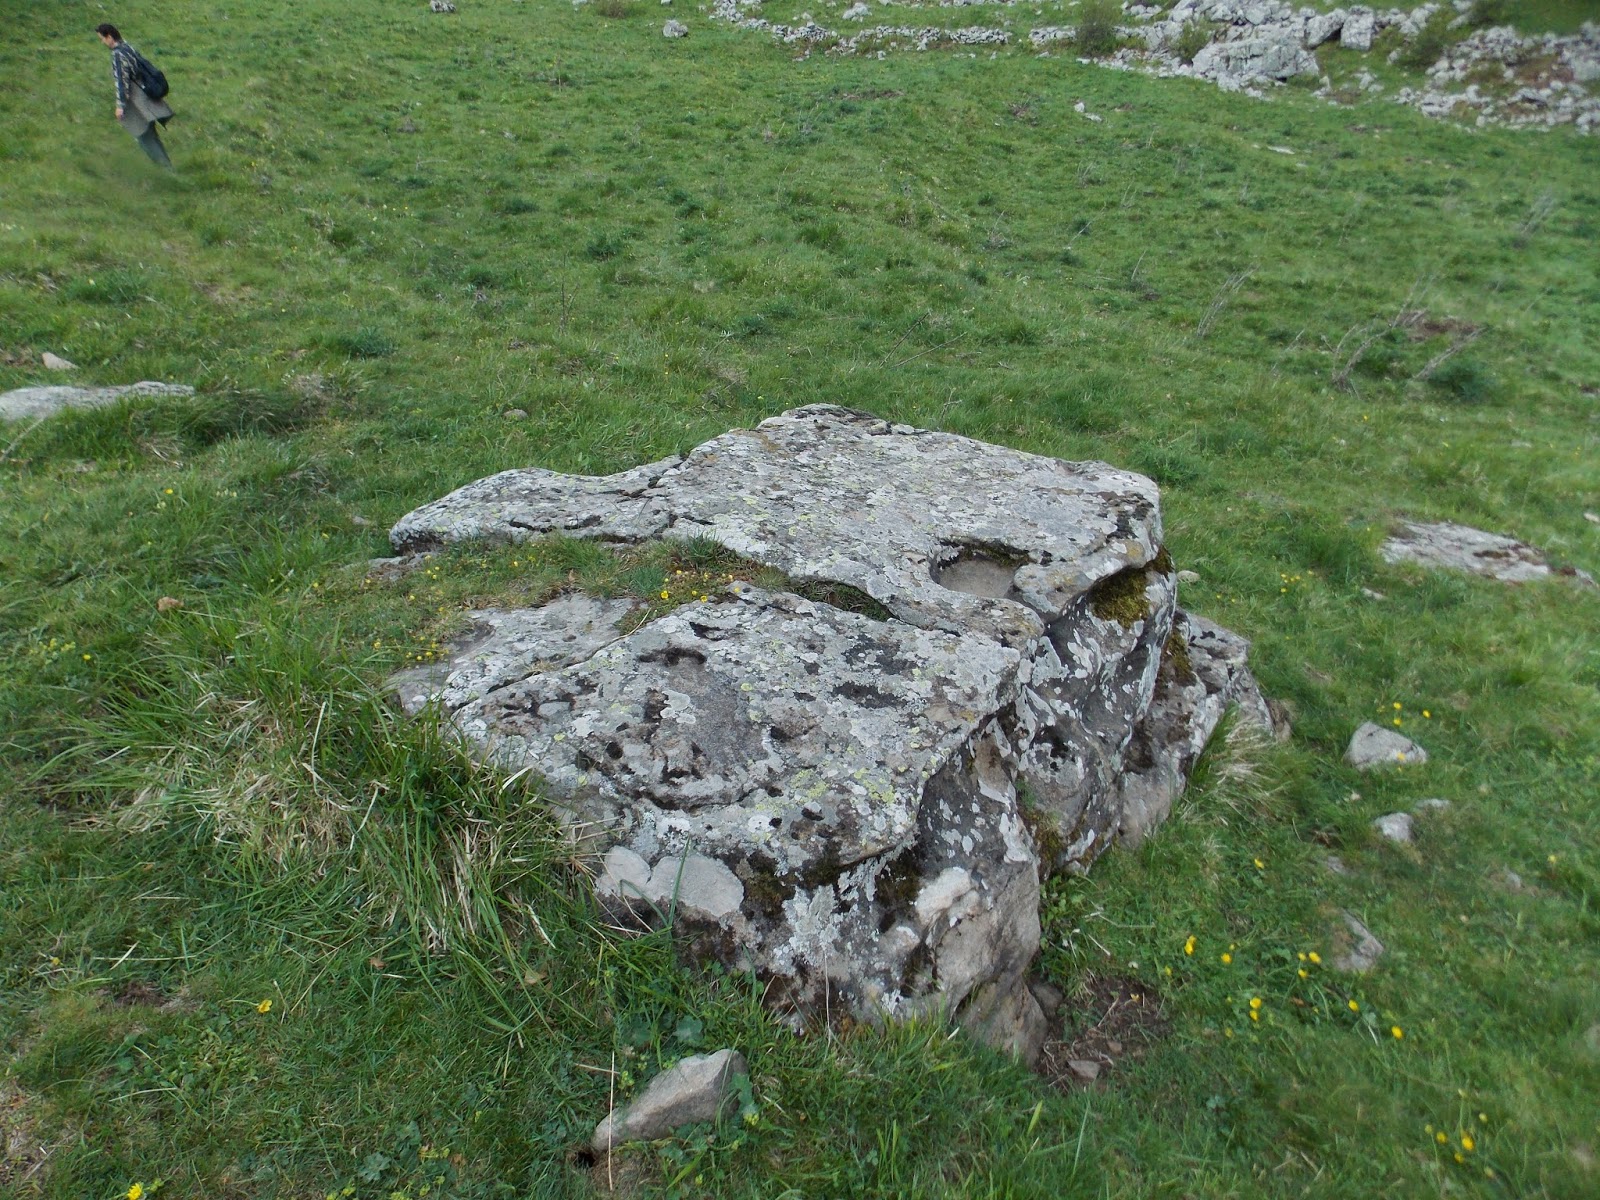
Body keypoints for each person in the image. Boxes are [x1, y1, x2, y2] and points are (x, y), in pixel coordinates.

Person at [96, 23, 173, 169]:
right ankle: (167, 166)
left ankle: (166, 170)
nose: (102, 42)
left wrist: (120, 106)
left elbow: (121, 81)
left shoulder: (118, 54)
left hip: (137, 101)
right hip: (146, 97)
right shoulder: (127, 47)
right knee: (151, 135)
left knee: (144, 136)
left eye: (102, 39)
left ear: (110, 37)